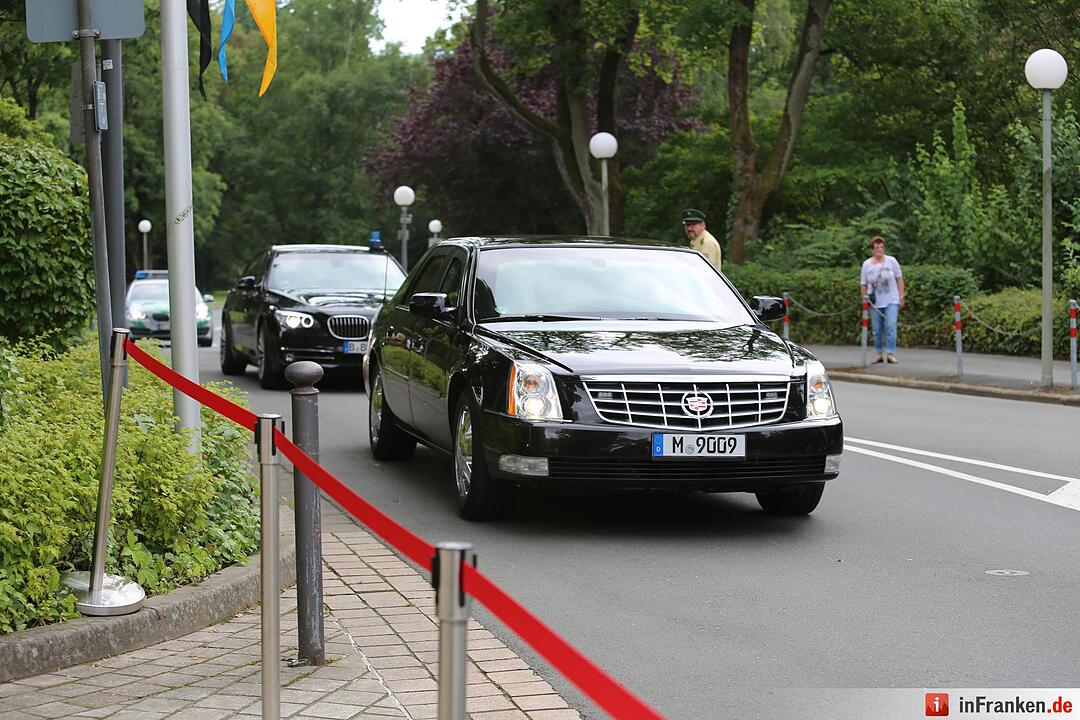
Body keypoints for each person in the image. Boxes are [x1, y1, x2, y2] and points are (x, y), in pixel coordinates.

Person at [860, 235, 905, 364]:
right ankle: (878, 353)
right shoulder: (867, 264)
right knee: (877, 329)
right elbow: (863, 284)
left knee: (890, 326)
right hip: (875, 302)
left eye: (881, 247)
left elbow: (899, 279)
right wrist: (864, 300)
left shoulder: (891, 261)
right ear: (872, 250)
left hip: (891, 299)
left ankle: (890, 353)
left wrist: (901, 296)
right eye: (876, 247)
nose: (879, 249)